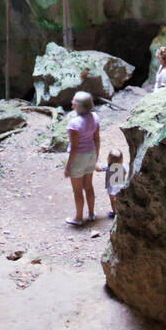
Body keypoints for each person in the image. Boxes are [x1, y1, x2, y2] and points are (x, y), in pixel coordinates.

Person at [64, 90, 100, 227]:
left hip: (78, 158)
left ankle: (78, 217)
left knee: (78, 190)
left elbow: (74, 147)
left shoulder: (74, 124)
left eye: (74, 101)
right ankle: (91, 214)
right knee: (89, 186)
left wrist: (68, 167)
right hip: (91, 154)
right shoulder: (95, 117)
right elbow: (96, 139)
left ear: (78, 106)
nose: (72, 102)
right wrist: (96, 157)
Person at [98, 147, 128, 218]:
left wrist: (94, 164)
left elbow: (98, 169)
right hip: (120, 187)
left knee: (113, 201)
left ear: (109, 159)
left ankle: (115, 213)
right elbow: (125, 173)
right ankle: (120, 212)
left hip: (112, 189)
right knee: (119, 200)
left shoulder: (108, 167)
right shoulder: (122, 166)